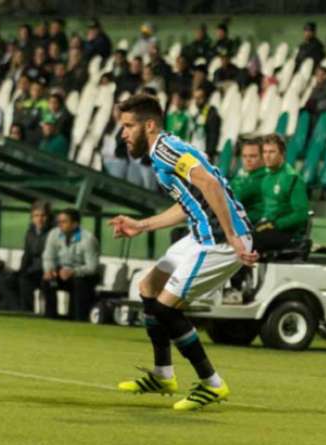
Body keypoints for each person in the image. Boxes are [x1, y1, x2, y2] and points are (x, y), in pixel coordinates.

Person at [109, 93, 256, 411]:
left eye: (128, 126)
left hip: (218, 240)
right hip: (200, 233)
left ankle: (212, 384)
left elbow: (210, 185)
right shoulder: (166, 149)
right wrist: (142, 225)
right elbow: (189, 201)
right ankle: (163, 375)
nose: (123, 134)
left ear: (149, 125)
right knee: (148, 287)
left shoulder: (166, 150)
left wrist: (231, 236)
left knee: (166, 309)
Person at [41, 208, 100, 321]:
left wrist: (74, 271)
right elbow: (48, 256)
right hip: (62, 271)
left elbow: (92, 267)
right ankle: (50, 317)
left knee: (79, 282)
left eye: (64, 222)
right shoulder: (54, 234)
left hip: (84, 275)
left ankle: (79, 318)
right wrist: (49, 270)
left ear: (74, 224)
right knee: (47, 281)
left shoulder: (88, 239)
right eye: (59, 222)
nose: (60, 225)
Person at [255, 134, 309, 252]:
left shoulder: (292, 178)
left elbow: (301, 214)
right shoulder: (265, 178)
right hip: (266, 228)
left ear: (282, 153)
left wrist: (275, 224)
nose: (267, 156)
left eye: (272, 152)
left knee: (252, 240)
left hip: (287, 233)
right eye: (265, 152)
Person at [17, 201, 52, 311]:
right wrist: (21, 270)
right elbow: (27, 254)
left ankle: (39, 313)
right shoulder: (30, 232)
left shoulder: (53, 232)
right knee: (12, 280)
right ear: (32, 218)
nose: (39, 219)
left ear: (48, 217)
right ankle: (21, 311)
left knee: (28, 281)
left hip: (47, 270)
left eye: (43, 216)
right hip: (33, 270)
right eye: (36, 216)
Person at [229, 138, 267, 225]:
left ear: (263, 157)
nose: (248, 160)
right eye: (244, 156)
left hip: (255, 227)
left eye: (253, 156)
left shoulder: (263, 177)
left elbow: (235, 198)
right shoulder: (244, 174)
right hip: (240, 223)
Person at [189, 86, 221, 163]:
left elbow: (213, 134)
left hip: (205, 154)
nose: (197, 101)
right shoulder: (197, 113)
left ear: (206, 98)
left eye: (200, 98)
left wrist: (209, 153)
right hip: (195, 152)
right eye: (195, 98)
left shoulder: (212, 113)